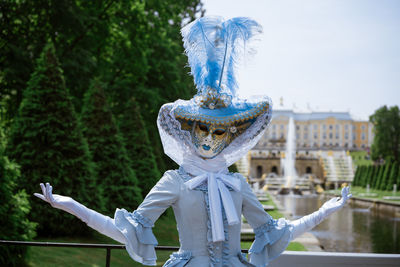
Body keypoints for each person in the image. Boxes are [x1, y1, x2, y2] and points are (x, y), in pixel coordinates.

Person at [35, 16, 351, 266]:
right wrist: (71, 206)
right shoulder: (175, 181)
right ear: (189, 130)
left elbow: (275, 232)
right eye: (203, 129)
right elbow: (127, 229)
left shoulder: (236, 184)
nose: (210, 139)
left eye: (220, 132)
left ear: (232, 135)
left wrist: (324, 211)